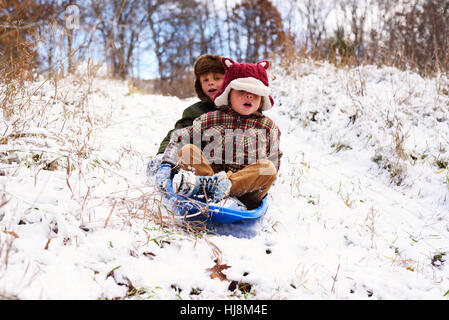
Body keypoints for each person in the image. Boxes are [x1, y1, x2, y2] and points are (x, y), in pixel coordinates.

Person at [156, 57, 282, 210]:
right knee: (187, 151)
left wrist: (259, 178)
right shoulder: (212, 119)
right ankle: (209, 189)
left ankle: (222, 189)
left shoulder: (269, 128)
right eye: (242, 91)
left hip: (246, 191)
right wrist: (166, 163)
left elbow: (274, 160)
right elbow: (179, 137)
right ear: (229, 93)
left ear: (262, 98)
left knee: (268, 168)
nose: (249, 96)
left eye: (255, 93)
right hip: (209, 177)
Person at [146, 54, 225, 176]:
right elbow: (177, 134)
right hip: (204, 165)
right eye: (205, 80)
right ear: (199, 85)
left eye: (217, 78)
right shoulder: (195, 111)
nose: (211, 83)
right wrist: (162, 155)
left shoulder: (239, 108)